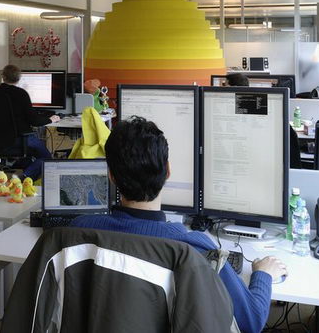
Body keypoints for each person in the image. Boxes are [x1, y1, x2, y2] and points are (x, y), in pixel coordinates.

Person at [71, 117, 287, 333]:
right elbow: (252, 321)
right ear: (168, 171)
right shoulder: (195, 248)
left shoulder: (79, 230)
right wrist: (263, 274)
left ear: (111, 176)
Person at [0, 64, 59, 180]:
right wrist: (50, 119)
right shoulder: (21, 94)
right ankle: (24, 177)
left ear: (3, 76)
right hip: (21, 138)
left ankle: (25, 174)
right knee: (47, 158)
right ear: (19, 78)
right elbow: (34, 120)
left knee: (30, 159)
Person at [223, 73, 302, 168]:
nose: (222, 91)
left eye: (225, 87)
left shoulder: (255, 114)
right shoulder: (255, 109)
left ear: (234, 88)